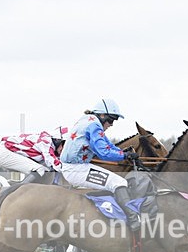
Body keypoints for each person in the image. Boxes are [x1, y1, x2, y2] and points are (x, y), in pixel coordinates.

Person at [60, 99, 142, 231]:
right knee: (119, 183)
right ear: (102, 115)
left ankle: (115, 216)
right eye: (111, 120)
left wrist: (122, 152)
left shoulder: (89, 120)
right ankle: (133, 221)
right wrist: (124, 156)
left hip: (76, 167)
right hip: (76, 170)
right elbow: (104, 152)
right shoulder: (94, 126)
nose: (112, 124)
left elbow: (108, 145)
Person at [0, 129, 65, 183]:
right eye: (64, 147)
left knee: (48, 173)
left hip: (11, 153)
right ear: (58, 141)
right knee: (40, 170)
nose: (64, 151)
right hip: (5, 154)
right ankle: (19, 192)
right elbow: (56, 165)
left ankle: (16, 185)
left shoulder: (50, 145)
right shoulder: (46, 143)